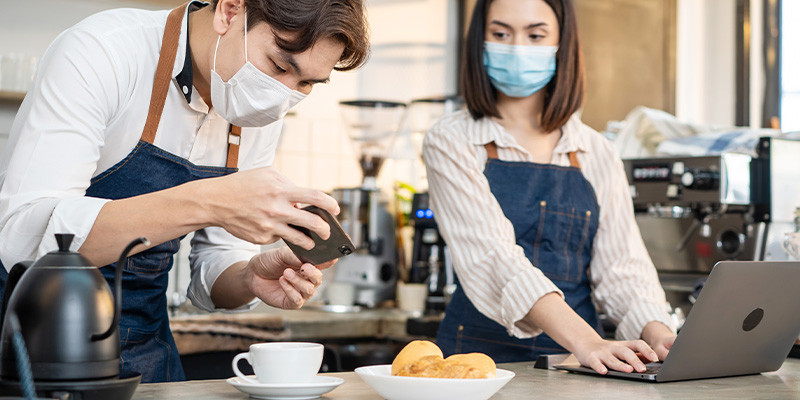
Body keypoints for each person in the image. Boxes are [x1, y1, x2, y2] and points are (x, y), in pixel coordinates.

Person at [0, 0, 369, 382]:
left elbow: (215, 263)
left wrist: (248, 278)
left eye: (306, 83)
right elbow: (23, 237)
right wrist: (213, 202)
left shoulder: (256, 110)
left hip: (144, 345)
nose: (281, 97)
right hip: (36, 342)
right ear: (230, 10)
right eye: (278, 65)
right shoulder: (105, 50)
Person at [423, 0, 677, 375]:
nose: (518, 47)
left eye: (536, 34)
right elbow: (494, 257)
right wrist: (587, 340)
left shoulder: (596, 150)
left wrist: (657, 332)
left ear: (563, 43)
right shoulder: (451, 140)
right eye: (500, 34)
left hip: (583, 364)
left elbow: (623, 267)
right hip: (476, 363)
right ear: (480, 41)